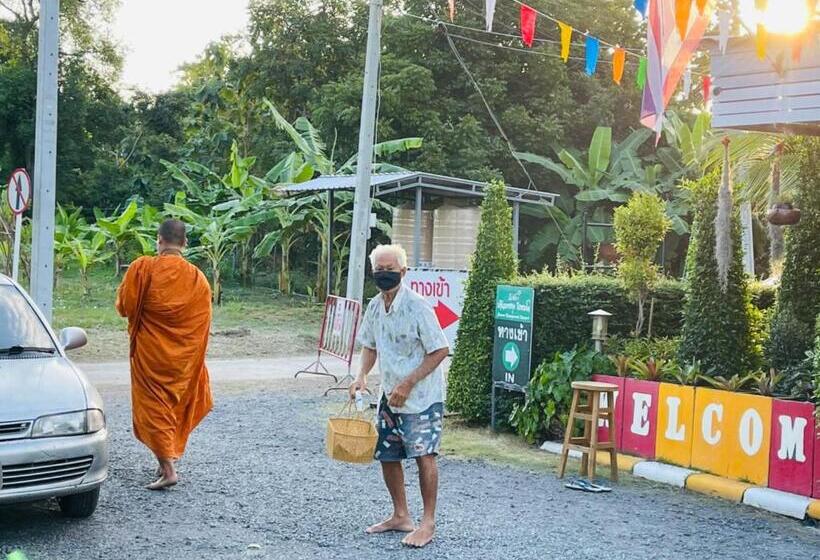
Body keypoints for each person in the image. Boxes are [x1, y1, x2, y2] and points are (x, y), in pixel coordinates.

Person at [349, 244, 450, 548]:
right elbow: (370, 345)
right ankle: (401, 515)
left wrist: (408, 384)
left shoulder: (418, 306)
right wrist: (362, 375)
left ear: (404, 272)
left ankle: (427, 523)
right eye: (379, 270)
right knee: (388, 455)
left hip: (421, 396)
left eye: (390, 269)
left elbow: (440, 350)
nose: (384, 275)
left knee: (424, 456)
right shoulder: (375, 306)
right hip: (389, 395)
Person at [115, 219, 213, 490]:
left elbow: (124, 307)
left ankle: (169, 470)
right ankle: (164, 460)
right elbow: (201, 325)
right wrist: (192, 360)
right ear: (184, 244)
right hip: (182, 360)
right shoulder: (198, 279)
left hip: (151, 356)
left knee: (154, 409)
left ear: (158, 240)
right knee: (170, 407)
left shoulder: (142, 268)